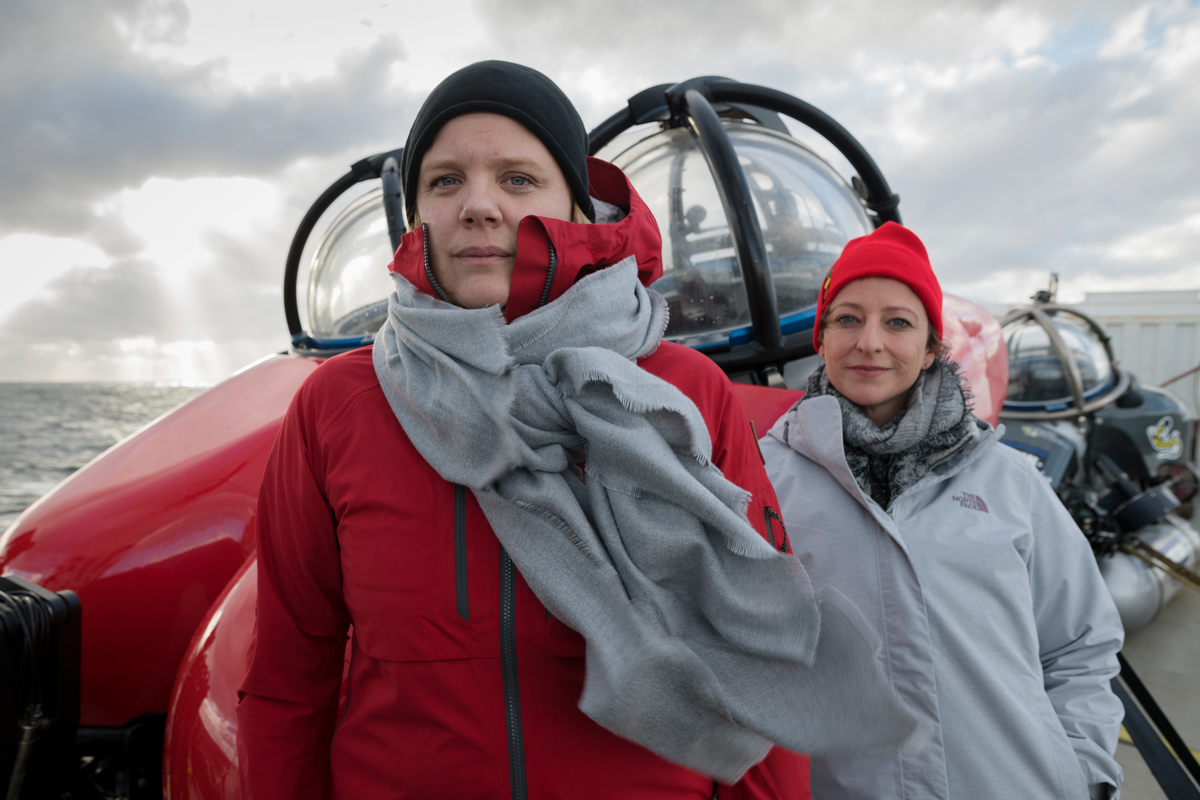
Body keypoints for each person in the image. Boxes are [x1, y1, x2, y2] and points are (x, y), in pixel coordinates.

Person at [236, 60, 914, 799]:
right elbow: (287, 684)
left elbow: (764, 668)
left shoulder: (685, 395)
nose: (479, 205)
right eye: (445, 181)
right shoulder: (338, 406)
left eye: (518, 179)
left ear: (576, 209)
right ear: (418, 212)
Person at [760, 221, 1126, 799]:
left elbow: (1081, 645)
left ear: (933, 347)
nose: (870, 342)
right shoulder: (761, 480)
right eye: (848, 318)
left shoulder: (1009, 483)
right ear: (821, 338)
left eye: (898, 322)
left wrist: (1082, 772)